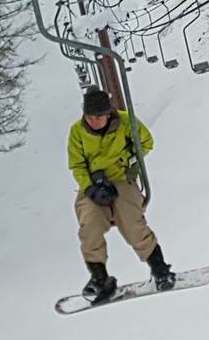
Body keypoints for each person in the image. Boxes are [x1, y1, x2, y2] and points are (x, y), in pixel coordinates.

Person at [68, 86, 175, 302]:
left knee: (131, 220)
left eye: (98, 117)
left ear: (108, 114)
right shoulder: (77, 131)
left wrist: (129, 163)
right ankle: (100, 277)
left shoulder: (126, 122)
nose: (93, 122)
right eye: (89, 117)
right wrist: (90, 187)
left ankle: (159, 268)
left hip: (120, 178)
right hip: (93, 182)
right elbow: (77, 164)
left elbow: (146, 142)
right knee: (89, 223)